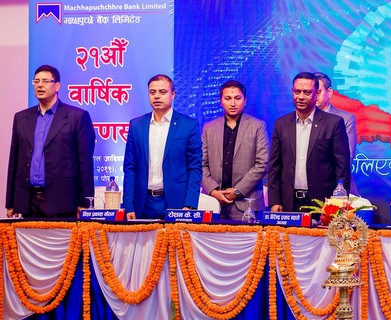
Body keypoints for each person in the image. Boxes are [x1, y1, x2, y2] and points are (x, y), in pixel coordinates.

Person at [6, 65, 95, 218]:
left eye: (45, 81)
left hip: (63, 201)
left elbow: (85, 162)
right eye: (36, 81)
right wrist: (11, 202)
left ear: (57, 86)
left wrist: (84, 202)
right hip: (28, 201)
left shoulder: (77, 117)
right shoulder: (21, 118)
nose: (40, 85)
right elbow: (14, 162)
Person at [267, 72, 351, 212]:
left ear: (316, 93)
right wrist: (275, 201)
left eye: (306, 92)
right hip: (288, 203)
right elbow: (275, 166)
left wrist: (338, 203)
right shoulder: (281, 124)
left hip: (323, 205)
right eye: (297, 91)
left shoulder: (333, 123)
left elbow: (342, 168)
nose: (301, 97)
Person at [123, 74, 202, 219]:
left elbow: (194, 167)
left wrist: (189, 205)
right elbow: (130, 167)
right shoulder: (136, 125)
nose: (157, 96)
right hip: (142, 202)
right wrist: (128, 205)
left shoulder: (188, 125)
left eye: (162, 92)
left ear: (173, 95)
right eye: (152, 92)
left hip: (176, 202)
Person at [201, 80, 269, 220]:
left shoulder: (258, 126)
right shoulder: (209, 128)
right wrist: (213, 191)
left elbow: (262, 164)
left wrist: (237, 191)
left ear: (245, 100)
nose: (233, 103)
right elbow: (200, 164)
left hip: (247, 203)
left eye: (237, 98)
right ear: (221, 101)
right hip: (214, 202)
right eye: (228, 98)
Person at [313, 72, 357, 159]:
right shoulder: (300, 118)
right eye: (310, 92)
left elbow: (347, 156)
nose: (314, 96)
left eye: (318, 92)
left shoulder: (345, 119)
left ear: (329, 92)